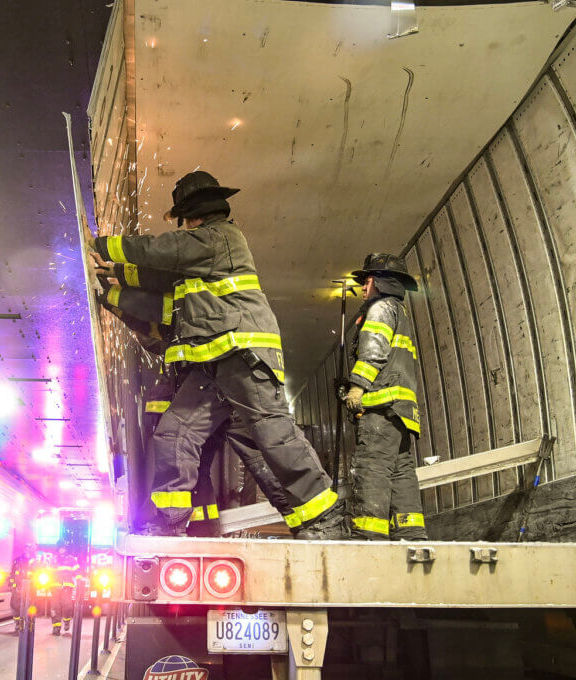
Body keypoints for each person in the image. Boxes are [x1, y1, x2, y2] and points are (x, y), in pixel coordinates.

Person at [90, 170, 347, 539]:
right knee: (174, 435)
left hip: (244, 353)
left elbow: (161, 251)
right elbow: (160, 277)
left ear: (192, 216)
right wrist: (111, 277)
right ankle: (171, 524)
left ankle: (324, 520)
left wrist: (100, 246)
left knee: (273, 436)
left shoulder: (218, 238)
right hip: (212, 366)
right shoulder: (200, 257)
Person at [100, 283, 303, 535]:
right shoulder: (197, 320)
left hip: (214, 394)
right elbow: (153, 333)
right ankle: (299, 518)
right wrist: (117, 306)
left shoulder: (196, 315)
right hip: (225, 395)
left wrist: (112, 296)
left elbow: (156, 330)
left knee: (184, 448)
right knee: (245, 461)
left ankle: (175, 523)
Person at [340, 253, 428, 541]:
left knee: (372, 468)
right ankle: (411, 533)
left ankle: (369, 536)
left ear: (378, 281)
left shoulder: (379, 309)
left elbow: (373, 351)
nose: (363, 288)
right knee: (401, 472)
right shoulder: (400, 313)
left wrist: (357, 387)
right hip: (402, 412)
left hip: (381, 408)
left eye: (366, 281)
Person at [50, 545, 81, 635]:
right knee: (55, 608)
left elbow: (77, 571)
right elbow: (48, 572)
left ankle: (67, 621)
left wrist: (79, 579)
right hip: (55, 587)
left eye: (63, 548)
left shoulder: (71, 560)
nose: (61, 550)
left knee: (68, 606)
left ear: (66, 549)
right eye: (60, 548)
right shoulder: (53, 560)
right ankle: (56, 627)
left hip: (67, 587)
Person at [8, 545, 36, 633]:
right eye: (25, 549)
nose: (27, 550)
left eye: (29, 549)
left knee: (28, 606)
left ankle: (28, 624)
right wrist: (12, 583)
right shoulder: (17, 560)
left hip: (29, 588)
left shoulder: (33, 562)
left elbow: (37, 574)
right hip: (17, 587)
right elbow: (12, 573)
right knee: (15, 605)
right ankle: (18, 623)